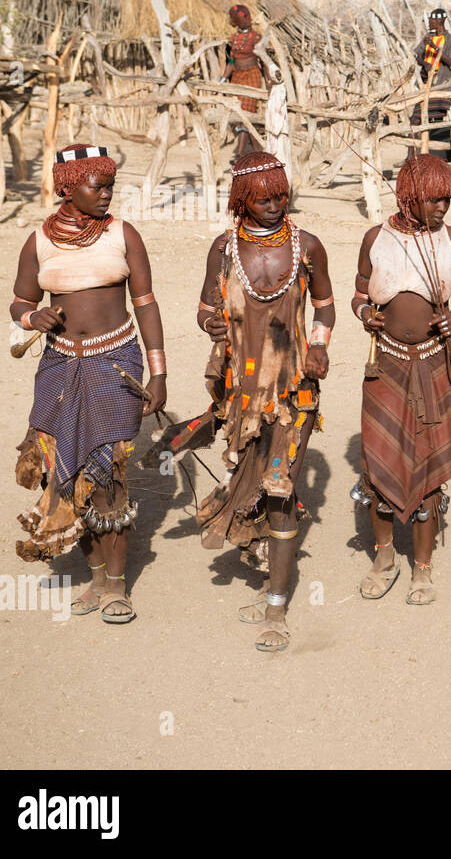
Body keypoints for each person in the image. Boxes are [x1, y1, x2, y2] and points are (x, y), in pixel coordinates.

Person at [11, 144, 167, 624]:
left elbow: (145, 303)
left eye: (109, 186)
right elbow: (19, 302)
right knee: (69, 474)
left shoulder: (123, 234)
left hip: (115, 364)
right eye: (95, 186)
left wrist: (158, 372)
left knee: (110, 475)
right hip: (59, 370)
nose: (105, 194)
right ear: (67, 187)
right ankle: (96, 577)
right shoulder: (39, 241)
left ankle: (117, 588)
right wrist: (33, 316)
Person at [185, 152, 334, 651]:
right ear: (242, 200)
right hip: (242, 395)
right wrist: (211, 323)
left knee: (280, 485)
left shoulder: (307, 246)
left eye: (281, 196)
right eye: (264, 198)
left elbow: (327, 306)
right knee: (249, 483)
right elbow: (206, 307)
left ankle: (276, 610)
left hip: (295, 390)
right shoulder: (223, 250)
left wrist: (318, 346)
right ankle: (269, 579)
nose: (275, 205)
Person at [353, 154, 451, 607]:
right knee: (379, 463)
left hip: (434, 364)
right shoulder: (376, 238)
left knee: (426, 468)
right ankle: (384, 557)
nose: (443, 208)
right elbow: (358, 291)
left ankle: (422, 569)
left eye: (447, 200)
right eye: (434, 200)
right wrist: (367, 313)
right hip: (384, 365)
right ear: (409, 197)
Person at [412, 9, 451, 151]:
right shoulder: (428, 36)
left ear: (439, 21)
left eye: (431, 20)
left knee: (437, 121)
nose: (429, 22)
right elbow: (417, 56)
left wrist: (434, 47)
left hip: (441, 85)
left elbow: (450, 62)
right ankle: (411, 156)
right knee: (415, 120)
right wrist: (424, 63)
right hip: (425, 84)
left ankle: (435, 155)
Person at [223, 4, 265, 161]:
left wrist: (268, 81)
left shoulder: (256, 37)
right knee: (239, 113)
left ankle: (240, 153)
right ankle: (258, 150)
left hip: (252, 76)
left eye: (232, 18)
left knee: (246, 112)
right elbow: (231, 62)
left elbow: (264, 62)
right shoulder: (233, 39)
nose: (229, 20)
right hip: (237, 78)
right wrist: (221, 80)